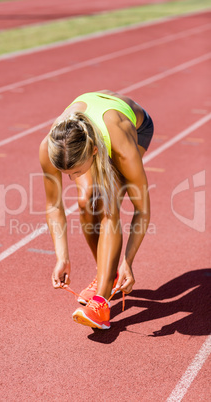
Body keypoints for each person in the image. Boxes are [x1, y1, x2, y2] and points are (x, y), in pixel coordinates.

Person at [39, 90, 154, 329]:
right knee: (85, 200)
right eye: (66, 174)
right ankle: (107, 275)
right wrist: (62, 257)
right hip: (89, 130)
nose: (71, 179)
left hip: (133, 128)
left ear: (93, 151)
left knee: (108, 203)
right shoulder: (51, 146)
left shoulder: (122, 147)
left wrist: (127, 261)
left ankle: (101, 303)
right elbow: (53, 204)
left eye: (77, 172)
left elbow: (141, 209)